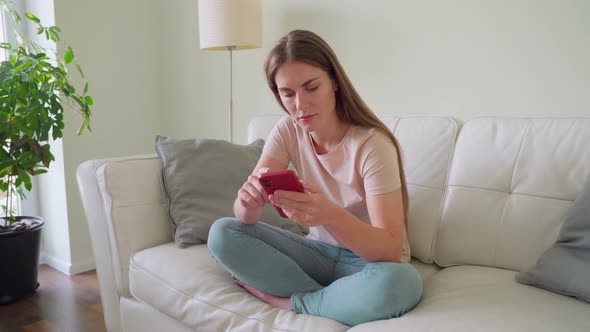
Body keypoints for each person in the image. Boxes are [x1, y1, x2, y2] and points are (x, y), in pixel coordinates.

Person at [207, 29, 423, 326]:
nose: (300, 105)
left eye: (311, 87)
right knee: (222, 233)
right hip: (315, 253)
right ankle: (331, 301)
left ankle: (291, 301)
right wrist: (248, 202)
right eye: (288, 94)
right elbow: (245, 218)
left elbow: (388, 249)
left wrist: (328, 214)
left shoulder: (372, 145)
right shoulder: (286, 131)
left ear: (334, 81)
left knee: (402, 284)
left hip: (368, 264)